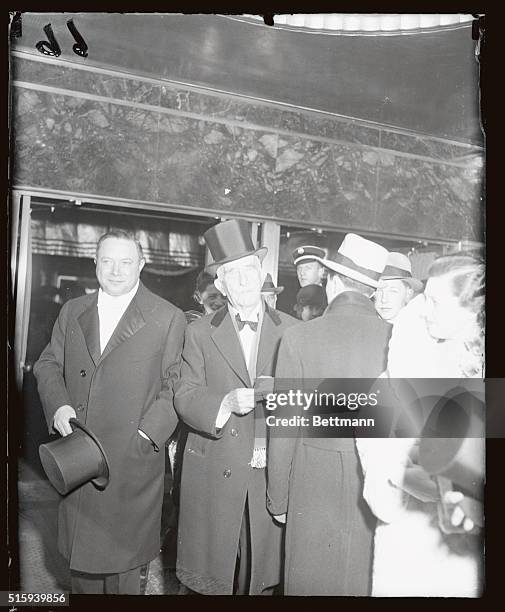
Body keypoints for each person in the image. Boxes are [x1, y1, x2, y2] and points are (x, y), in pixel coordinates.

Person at [33, 230, 186, 594]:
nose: (116, 271)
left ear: (142, 265)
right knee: (81, 575)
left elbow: (176, 385)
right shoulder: (74, 310)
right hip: (80, 463)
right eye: (107, 261)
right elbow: (48, 363)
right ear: (95, 263)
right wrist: (58, 405)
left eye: (126, 262)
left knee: (124, 578)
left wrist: (147, 434)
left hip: (130, 468)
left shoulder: (167, 317)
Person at [174, 218, 297, 595]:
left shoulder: (293, 331)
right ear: (221, 284)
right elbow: (183, 393)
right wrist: (223, 402)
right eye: (232, 275)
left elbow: (306, 403)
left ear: (261, 274)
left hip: (268, 469)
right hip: (215, 464)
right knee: (212, 576)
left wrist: (287, 396)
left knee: (261, 572)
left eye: (249, 271)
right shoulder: (197, 331)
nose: (243, 281)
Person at [267, 233, 390, 595]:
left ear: (333, 281)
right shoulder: (396, 336)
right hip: (374, 483)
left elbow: (284, 428)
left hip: (311, 480)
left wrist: (278, 497)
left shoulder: (298, 338)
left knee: (309, 579)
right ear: (370, 291)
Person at [356, 253, 484, 597]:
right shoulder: (399, 369)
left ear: (470, 311)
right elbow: (376, 464)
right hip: (407, 546)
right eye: (424, 297)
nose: (424, 309)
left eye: (436, 302)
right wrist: (396, 476)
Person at [374, 252, 423, 324]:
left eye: (393, 291)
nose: (384, 299)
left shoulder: (419, 329)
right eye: (379, 290)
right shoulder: (363, 326)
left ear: (408, 294)